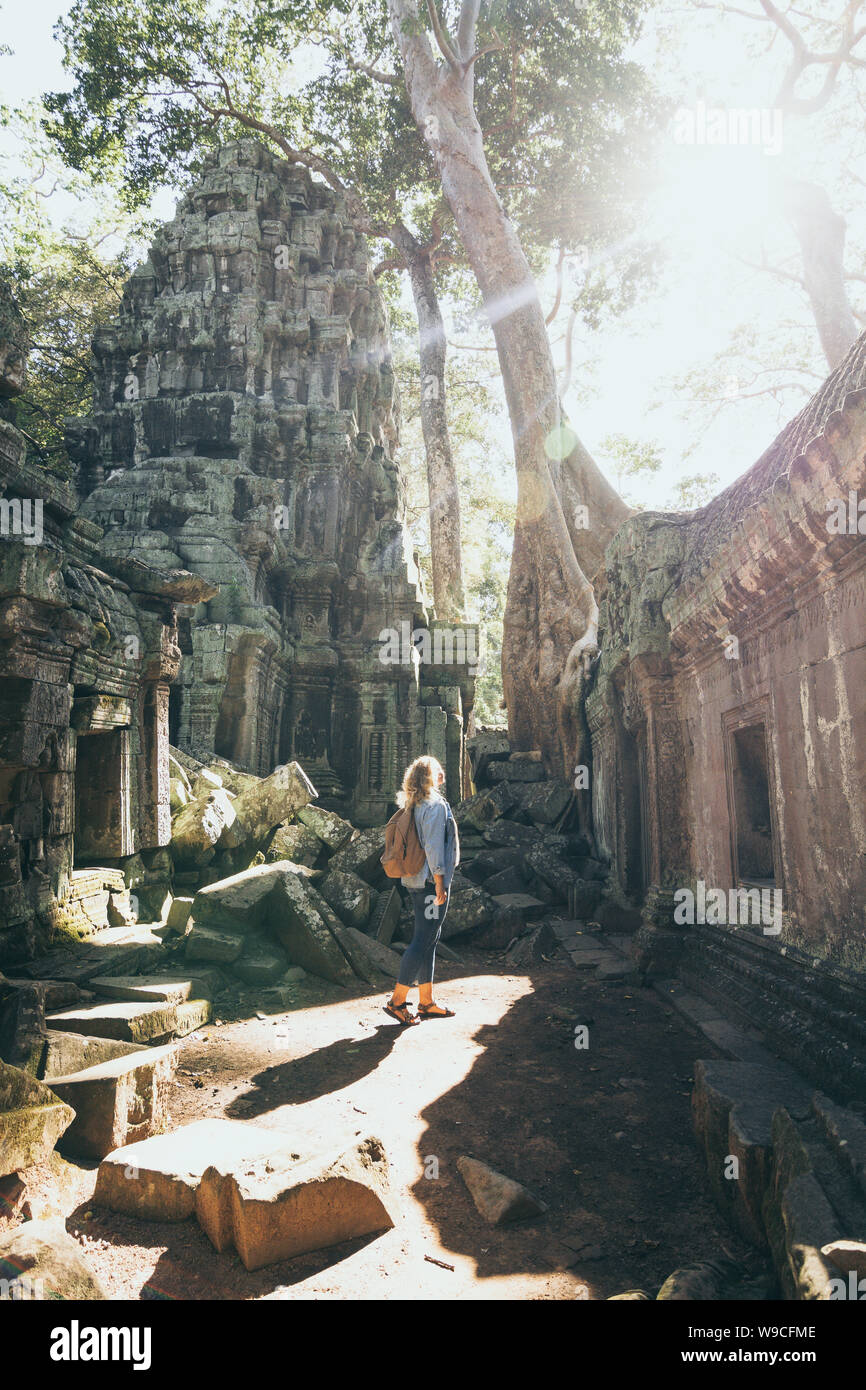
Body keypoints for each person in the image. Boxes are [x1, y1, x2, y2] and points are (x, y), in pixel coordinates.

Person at [384, 755, 459, 1027]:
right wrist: (440, 881)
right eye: (438, 770)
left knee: (429, 938)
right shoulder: (434, 805)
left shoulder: (413, 804)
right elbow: (433, 846)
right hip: (429, 882)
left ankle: (426, 1001)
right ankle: (397, 1001)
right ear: (430, 777)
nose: (443, 774)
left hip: (414, 880)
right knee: (423, 939)